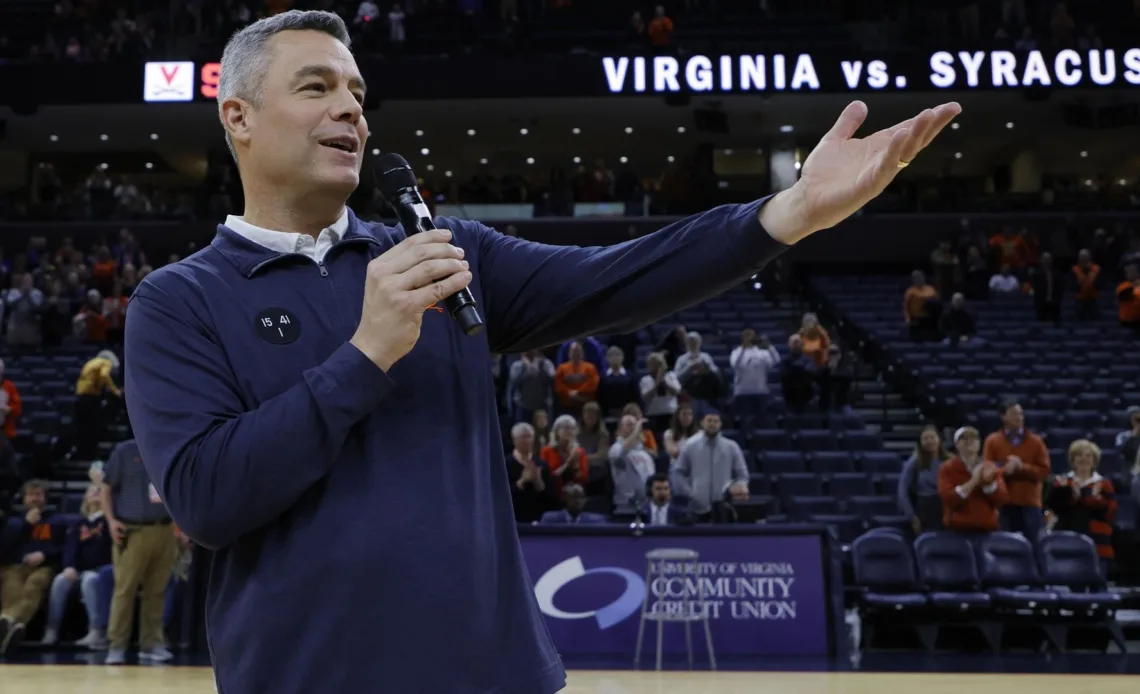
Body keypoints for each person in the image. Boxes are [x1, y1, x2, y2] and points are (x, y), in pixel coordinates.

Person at [121, 11, 959, 693]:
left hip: (502, 679)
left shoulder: (450, 256)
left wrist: (791, 212)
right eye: (316, 87)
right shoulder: (179, 301)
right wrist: (366, 352)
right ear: (238, 117)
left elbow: (622, 275)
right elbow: (208, 498)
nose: (351, 109)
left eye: (358, 91)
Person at [101, 438, 179, 665]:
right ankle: (116, 645)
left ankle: (152, 643)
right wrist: (110, 521)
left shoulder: (168, 446)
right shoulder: (124, 450)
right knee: (125, 590)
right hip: (132, 530)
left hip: (165, 528)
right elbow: (106, 487)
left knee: (157, 591)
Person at [43, 483, 112, 649]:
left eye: (99, 491)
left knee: (90, 580)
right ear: (85, 498)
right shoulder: (78, 522)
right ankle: (52, 629)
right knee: (60, 580)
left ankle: (97, 630)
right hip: (78, 570)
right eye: (91, 491)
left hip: (100, 570)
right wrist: (69, 566)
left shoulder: (109, 521)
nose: (95, 493)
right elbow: (70, 548)